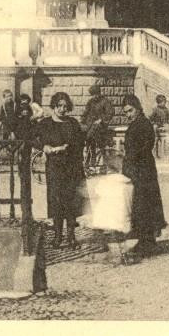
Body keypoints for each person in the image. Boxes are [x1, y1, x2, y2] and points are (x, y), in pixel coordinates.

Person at [32, 91, 85, 248]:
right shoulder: (45, 124)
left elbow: (80, 142)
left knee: (70, 202)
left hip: (71, 168)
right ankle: (57, 236)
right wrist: (43, 146)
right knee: (56, 202)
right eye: (59, 106)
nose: (62, 109)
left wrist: (69, 148)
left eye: (65, 106)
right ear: (53, 107)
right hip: (54, 168)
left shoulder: (73, 123)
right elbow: (31, 137)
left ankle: (71, 237)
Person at [121, 94, 167, 257]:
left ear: (138, 108)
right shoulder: (139, 123)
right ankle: (146, 240)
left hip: (142, 169)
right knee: (142, 205)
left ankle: (147, 243)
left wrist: (129, 163)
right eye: (126, 112)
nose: (128, 114)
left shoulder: (143, 125)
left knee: (145, 204)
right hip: (141, 168)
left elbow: (141, 149)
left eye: (130, 110)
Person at [81, 82, 115, 169]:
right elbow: (86, 112)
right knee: (88, 136)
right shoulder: (91, 102)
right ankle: (89, 159)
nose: (94, 97)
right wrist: (82, 120)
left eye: (95, 94)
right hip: (90, 124)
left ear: (99, 93)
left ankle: (92, 159)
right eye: (92, 95)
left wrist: (101, 120)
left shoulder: (105, 101)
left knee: (90, 137)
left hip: (101, 126)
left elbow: (110, 113)